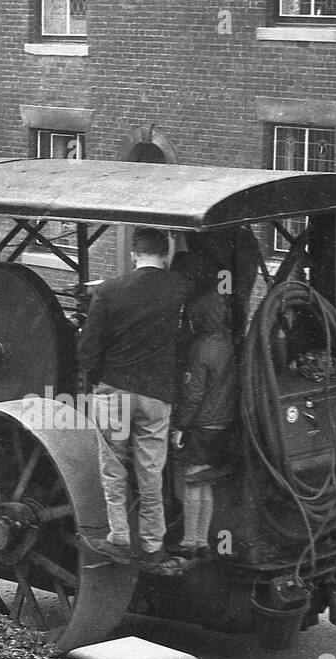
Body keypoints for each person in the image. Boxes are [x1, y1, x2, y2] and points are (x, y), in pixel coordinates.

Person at [79, 227, 190, 566]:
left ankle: (120, 536)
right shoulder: (178, 289)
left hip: (114, 391)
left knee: (113, 466)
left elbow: (88, 348)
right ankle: (154, 544)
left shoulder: (111, 290)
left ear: (133, 253)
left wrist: (95, 379)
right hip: (157, 395)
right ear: (165, 253)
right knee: (151, 471)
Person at [169, 253, 238, 559]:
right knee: (205, 481)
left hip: (203, 425)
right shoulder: (227, 343)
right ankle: (205, 538)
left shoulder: (200, 349)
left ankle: (191, 540)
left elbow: (193, 394)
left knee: (191, 480)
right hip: (223, 423)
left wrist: (180, 427)